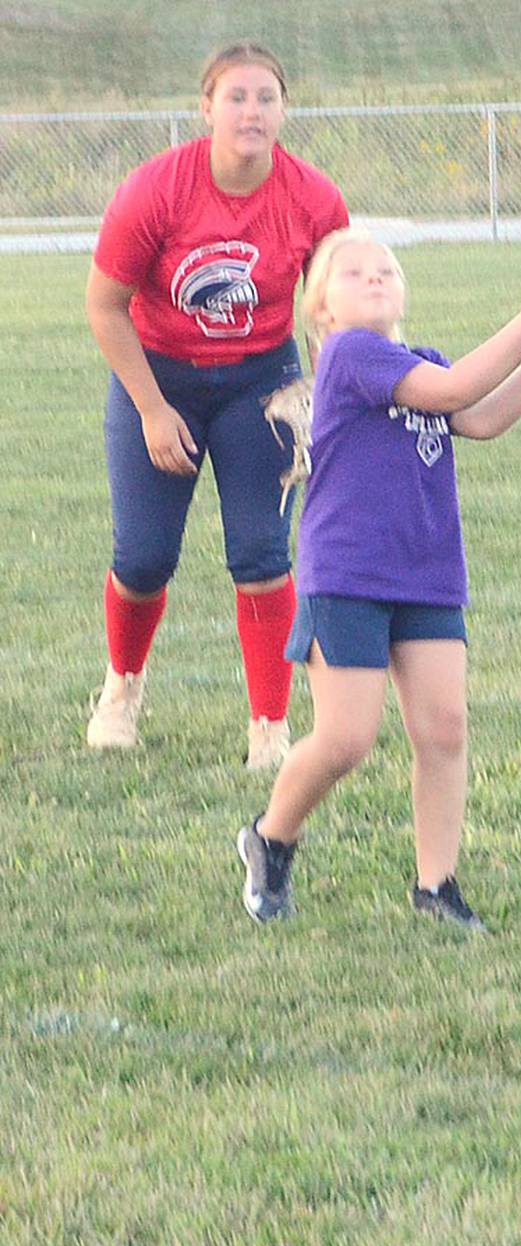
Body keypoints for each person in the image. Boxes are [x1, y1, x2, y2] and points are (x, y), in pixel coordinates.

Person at [235, 227, 521, 928]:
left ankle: (436, 886)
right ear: (321, 311)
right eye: (353, 272)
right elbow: (457, 387)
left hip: (426, 570)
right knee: (346, 739)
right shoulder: (350, 355)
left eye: (386, 269)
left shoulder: (414, 359)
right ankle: (270, 836)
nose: (373, 277)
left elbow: (479, 414)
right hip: (350, 573)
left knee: (445, 729)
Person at [84, 42, 349, 769]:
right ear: (206, 108)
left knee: (262, 552)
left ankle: (269, 725)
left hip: (259, 383)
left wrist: (329, 393)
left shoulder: (313, 196)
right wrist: (150, 408)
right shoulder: (156, 188)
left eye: (266, 97)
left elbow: (334, 307)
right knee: (142, 557)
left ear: (284, 109)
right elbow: (105, 307)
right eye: (236, 97)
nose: (252, 111)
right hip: (158, 374)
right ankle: (122, 691)